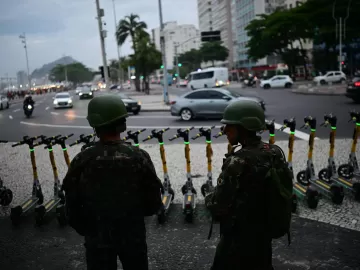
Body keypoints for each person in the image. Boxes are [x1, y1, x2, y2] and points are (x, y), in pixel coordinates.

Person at [62, 95, 163, 270]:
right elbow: (153, 202)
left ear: (95, 125)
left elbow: (71, 202)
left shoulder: (83, 159)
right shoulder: (138, 156)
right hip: (133, 236)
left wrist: (87, 229)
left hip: (96, 237)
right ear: (122, 124)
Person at [205, 100, 292, 270]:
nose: (224, 131)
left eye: (229, 126)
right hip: (263, 234)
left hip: (238, 238)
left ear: (243, 128)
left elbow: (219, 204)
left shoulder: (238, 160)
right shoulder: (273, 152)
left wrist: (208, 198)